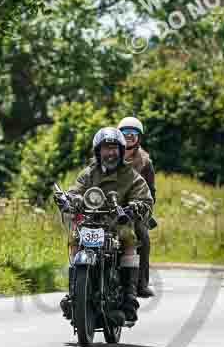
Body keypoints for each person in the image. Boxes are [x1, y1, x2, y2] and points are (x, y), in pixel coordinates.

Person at [58, 127, 153, 325]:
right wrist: (70, 200)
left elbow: (145, 198)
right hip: (91, 222)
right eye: (105, 148)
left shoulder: (131, 175)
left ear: (120, 151)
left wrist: (134, 207)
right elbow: (76, 190)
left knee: (129, 239)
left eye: (114, 148)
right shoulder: (89, 173)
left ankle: (128, 298)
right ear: (97, 151)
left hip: (117, 224)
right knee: (75, 238)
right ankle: (74, 291)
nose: (110, 153)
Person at [117, 116, 156, 298]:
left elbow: (150, 191)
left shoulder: (145, 162)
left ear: (139, 137)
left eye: (133, 133)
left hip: (134, 208)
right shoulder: (108, 152)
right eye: (125, 133)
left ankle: (141, 284)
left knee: (142, 235)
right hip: (108, 204)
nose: (129, 137)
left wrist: (143, 210)